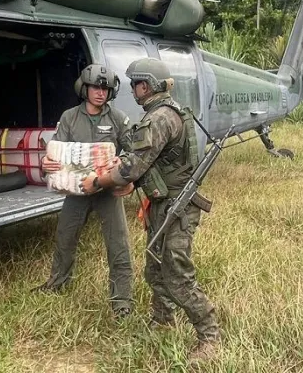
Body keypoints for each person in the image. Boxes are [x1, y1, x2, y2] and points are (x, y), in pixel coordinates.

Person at [80, 57, 220, 363]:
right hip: (162, 202)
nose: (133, 89)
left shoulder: (159, 118)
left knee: (177, 276)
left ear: (149, 85)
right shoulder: (165, 112)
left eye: (136, 83)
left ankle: (209, 335)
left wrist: (98, 180)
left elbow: (132, 166)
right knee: (155, 268)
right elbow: (145, 162)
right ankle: (162, 322)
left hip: (176, 207)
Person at [36, 63, 134, 319]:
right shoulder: (70, 117)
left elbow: (134, 151)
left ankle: (121, 300)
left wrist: (121, 162)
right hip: (77, 190)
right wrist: (45, 163)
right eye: (95, 87)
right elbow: (56, 152)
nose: (100, 92)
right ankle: (58, 283)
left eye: (105, 88)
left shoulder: (118, 118)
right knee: (65, 237)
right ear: (85, 88)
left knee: (118, 244)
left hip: (107, 190)